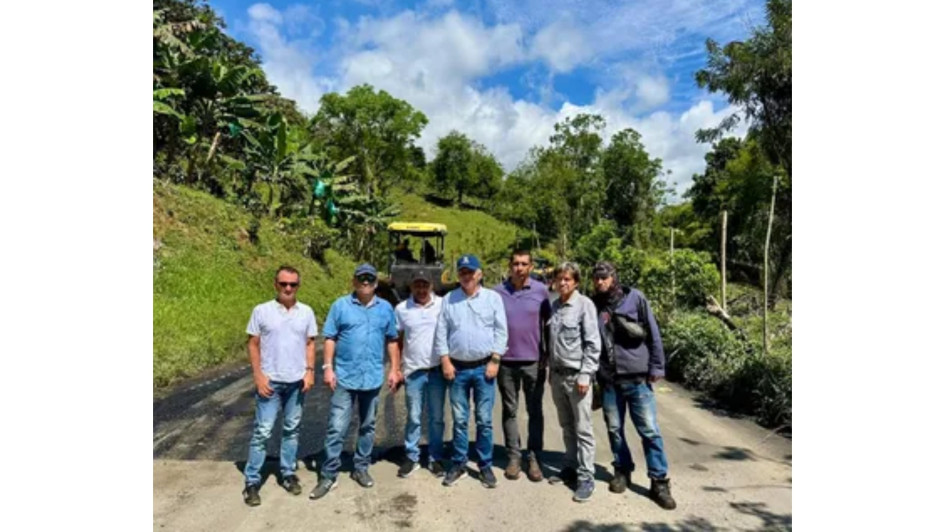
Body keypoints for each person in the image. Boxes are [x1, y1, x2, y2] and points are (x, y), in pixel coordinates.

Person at [309, 264, 402, 500]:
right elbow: (329, 338)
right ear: (354, 281)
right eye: (361, 278)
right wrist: (328, 368)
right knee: (337, 427)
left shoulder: (385, 309)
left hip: (371, 378)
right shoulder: (340, 306)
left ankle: (361, 467)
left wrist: (395, 369)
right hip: (345, 377)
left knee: (368, 426)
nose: (366, 282)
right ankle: (329, 474)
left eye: (370, 278)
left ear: (376, 283)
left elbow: (392, 340)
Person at [590, 261, 676, 510]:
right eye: (596, 278)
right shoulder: (594, 305)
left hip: (637, 378)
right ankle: (622, 469)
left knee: (649, 431)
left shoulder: (635, 298)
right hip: (608, 380)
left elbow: (653, 331)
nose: (599, 282)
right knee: (614, 430)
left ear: (613, 277)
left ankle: (659, 480)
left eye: (604, 277)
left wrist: (657, 367)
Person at [242, 265, 318, 507]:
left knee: (291, 430)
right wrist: (258, 376)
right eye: (283, 283)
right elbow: (253, 344)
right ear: (275, 284)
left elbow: (309, 344)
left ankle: (287, 473)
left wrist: (309, 372)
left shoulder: (306, 312)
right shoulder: (262, 311)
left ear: (298, 286)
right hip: (270, 382)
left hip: (296, 382)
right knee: (263, 431)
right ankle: (252, 481)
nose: (288, 288)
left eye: (292, 284)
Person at [433, 254, 508, 488]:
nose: (466, 276)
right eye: (462, 272)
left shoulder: (493, 299)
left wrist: (495, 359)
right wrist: (445, 360)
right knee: (460, 419)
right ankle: (459, 463)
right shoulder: (449, 300)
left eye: (470, 272)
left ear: (479, 274)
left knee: (484, 420)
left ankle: (485, 465)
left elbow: (501, 331)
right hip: (457, 369)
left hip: (484, 368)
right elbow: (441, 333)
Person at [492, 250, 551, 481]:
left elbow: (548, 324)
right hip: (505, 362)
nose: (519, 268)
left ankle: (534, 458)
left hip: (533, 361)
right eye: (515, 263)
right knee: (510, 410)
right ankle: (514, 457)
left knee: (535, 411)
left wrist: (546, 353)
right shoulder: (497, 293)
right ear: (510, 266)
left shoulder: (540, 291)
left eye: (524, 264)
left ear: (531, 266)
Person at [547, 262, 602, 502]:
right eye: (560, 279)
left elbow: (592, 343)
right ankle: (569, 466)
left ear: (576, 282)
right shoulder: (555, 306)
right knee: (567, 426)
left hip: (577, 377)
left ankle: (586, 477)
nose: (563, 283)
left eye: (568, 279)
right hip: (557, 376)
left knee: (583, 429)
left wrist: (586, 374)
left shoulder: (584, 305)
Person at [394, 269, 448, 478]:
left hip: (436, 370)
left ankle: (435, 458)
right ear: (411, 286)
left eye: (425, 284)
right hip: (414, 371)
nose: (421, 289)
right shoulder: (401, 309)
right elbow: (396, 341)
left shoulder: (443, 305)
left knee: (436, 418)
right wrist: (396, 368)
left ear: (432, 286)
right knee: (414, 417)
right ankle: (412, 457)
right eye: (417, 285)